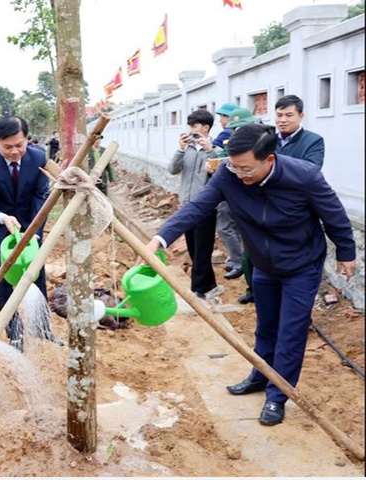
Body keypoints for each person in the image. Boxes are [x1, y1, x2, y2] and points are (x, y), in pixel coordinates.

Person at [147, 124, 355, 426]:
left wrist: (346, 252)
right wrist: (160, 239)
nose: (238, 174)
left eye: (246, 168)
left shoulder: (304, 176)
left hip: (302, 265)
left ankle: (277, 395)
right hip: (262, 264)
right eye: (233, 166)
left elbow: (333, 214)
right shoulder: (229, 175)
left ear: (269, 160)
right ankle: (259, 375)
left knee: (291, 332)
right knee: (265, 327)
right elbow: (197, 207)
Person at [0, 115, 63, 353]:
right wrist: (2, 218)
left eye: (19, 145)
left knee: (37, 278)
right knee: (4, 284)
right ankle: (15, 336)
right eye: (7, 147)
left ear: (27, 139)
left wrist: (33, 229)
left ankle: (42, 330)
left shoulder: (37, 158)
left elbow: (40, 196)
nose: (14, 151)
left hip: (30, 232)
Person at [168, 109, 222, 299]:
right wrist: (181, 149)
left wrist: (210, 150)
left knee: (202, 248)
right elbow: (172, 169)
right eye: (190, 126)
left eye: (195, 126)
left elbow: (221, 172)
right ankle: (211, 285)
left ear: (206, 128)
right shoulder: (188, 148)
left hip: (206, 206)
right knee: (193, 246)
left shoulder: (216, 149)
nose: (191, 130)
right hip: (187, 206)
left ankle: (197, 290)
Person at [209, 102, 245, 280]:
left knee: (225, 226)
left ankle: (238, 262)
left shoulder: (228, 136)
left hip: (231, 191)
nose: (222, 121)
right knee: (235, 227)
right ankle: (236, 260)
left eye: (223, 117)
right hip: (234, 191)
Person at [274, 94, 324, 167]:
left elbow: (311, 170)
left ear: (301, 116)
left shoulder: (314, 141)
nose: (283, 120)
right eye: (279, 115)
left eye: (289, 115)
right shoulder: (268, 141)